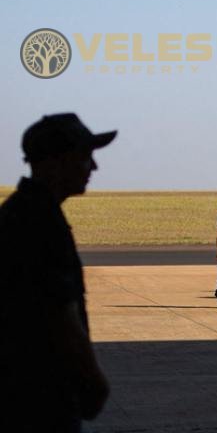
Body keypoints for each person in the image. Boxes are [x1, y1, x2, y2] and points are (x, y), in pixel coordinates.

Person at [0, 113, 114, 432]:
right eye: (85, 157)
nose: (93, 168)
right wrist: (95, 382)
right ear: (56, 161)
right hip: (38, 400)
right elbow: (59, 314)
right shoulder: (37, 223)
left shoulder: (25, 212)